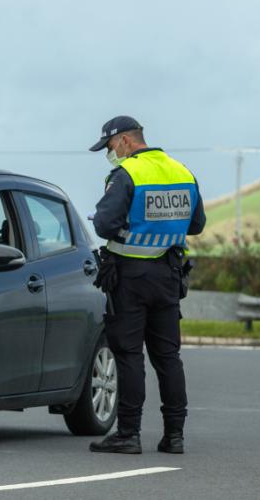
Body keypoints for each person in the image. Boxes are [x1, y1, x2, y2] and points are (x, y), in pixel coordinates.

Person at [86, 115, 206, 455]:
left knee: (128, 354)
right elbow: (196, 224)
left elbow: (105, 224)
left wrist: (132, 229)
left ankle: (128, 433)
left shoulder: (127, 175)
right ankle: (175, 436)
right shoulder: (183, 172)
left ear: (124, 140)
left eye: (109, 146)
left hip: (130, 277)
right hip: (169, 275)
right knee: (168, 356)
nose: (109, 153)